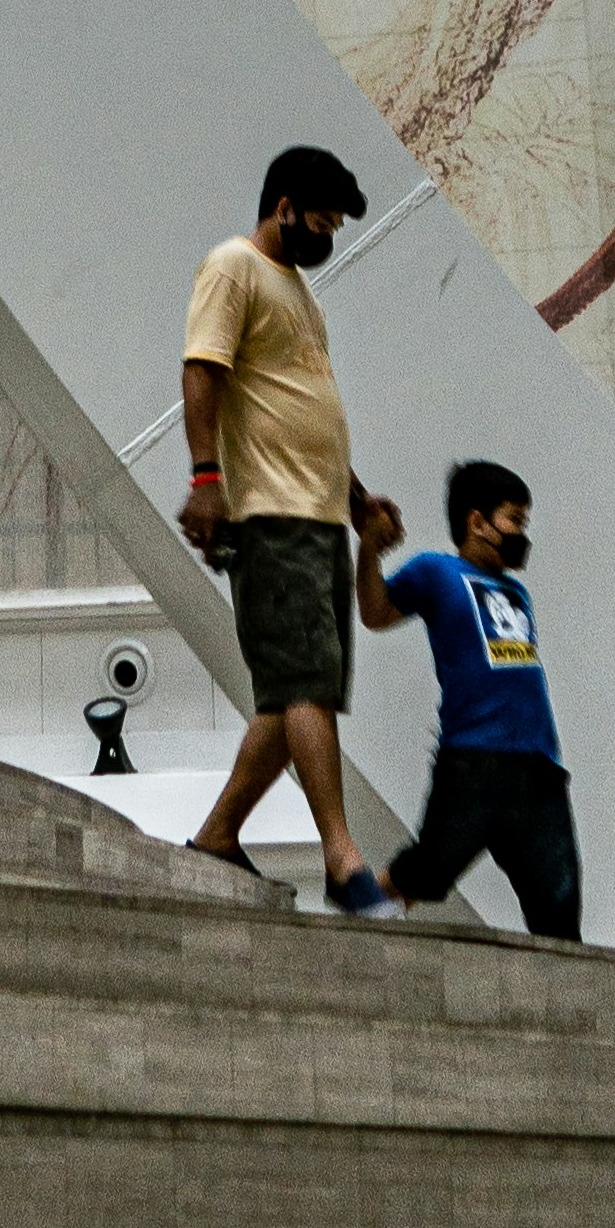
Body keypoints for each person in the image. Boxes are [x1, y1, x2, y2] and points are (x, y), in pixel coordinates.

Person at [177, 142, 400, 917]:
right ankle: (342, 858)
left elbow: (305, 413)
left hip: (317, 517)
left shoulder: (300, 294)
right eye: (323, 221)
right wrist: (206, 481)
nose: (327, 237)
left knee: (290, 697)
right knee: (306, 682)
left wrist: (358, 501)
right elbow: (202, 370)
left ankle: (216, 837)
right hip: (268, 517)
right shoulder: (234, 267)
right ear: (283, 208)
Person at [358, 455, 582, 940]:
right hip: (473, 761)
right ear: (477, 522)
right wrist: (369, 551)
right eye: (514, 520)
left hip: (540, 772)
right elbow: (375, 612)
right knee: (429, 867)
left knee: (560, 915)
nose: (522, 533)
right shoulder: (435, 572)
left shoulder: (517, 592)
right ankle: (367, 908)